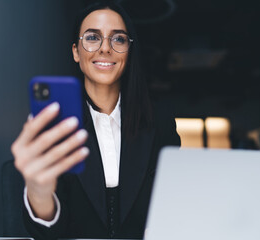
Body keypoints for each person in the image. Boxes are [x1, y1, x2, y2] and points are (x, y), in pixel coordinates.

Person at [11, 1, 180, 239]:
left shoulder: (160, 122)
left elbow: (171, 204)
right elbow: (50, 234)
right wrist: (39, 192)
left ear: (128, 53)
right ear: (75, 52)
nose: (105, 48)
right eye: (92, 37)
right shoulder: (55, 128)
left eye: (118, 39)